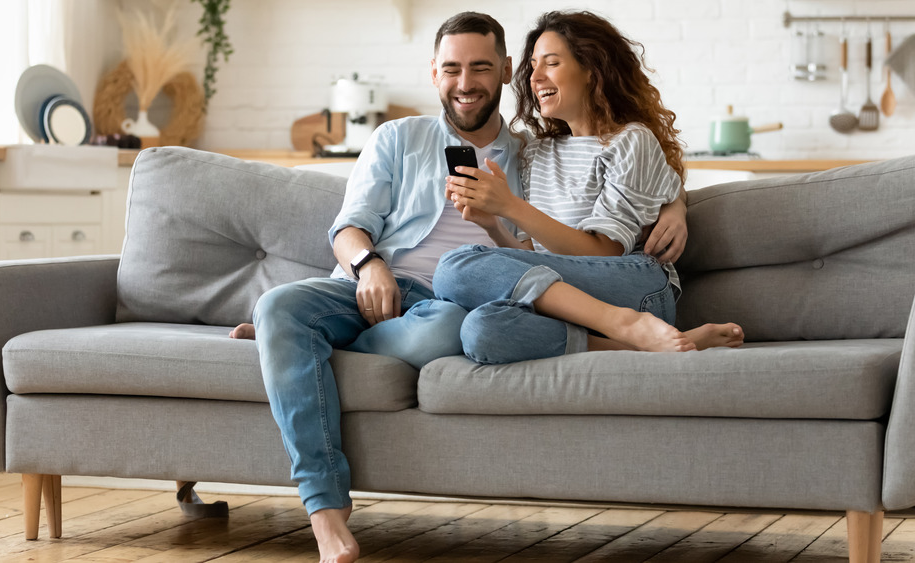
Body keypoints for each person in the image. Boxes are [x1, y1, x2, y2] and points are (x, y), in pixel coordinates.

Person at [245, 12, 690, 563]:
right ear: (433, 73)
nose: (465, 82)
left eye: (481, 67)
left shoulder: (531, 150)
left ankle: (296, 344)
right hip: (373, 284)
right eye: (451, 68)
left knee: (453, 320)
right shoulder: (398, 138)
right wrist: (370, 265)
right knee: (279, 304)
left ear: (505, 71)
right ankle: (326, 513)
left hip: (451, 302)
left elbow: (617, 171)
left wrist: (677, 204)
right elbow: (348, 227)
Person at [435, 10, 743, 365]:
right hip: (569, 296)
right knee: (481, 330)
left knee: (453, 266)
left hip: (634, 287)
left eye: (551, 63)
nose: (534, 77)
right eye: (533, 65)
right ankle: (638, 343)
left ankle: (626, 323)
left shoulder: (630, 141)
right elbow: (535, 259)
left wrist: (511, 207)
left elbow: (604, 253)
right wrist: (493, 224)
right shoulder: (536, 152)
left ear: (591, 70)